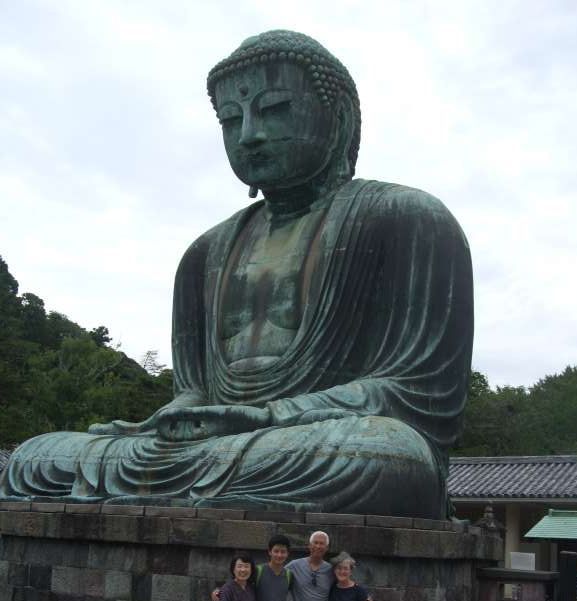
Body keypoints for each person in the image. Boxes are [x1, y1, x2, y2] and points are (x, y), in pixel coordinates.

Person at [0, 29, 473, 520]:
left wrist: (271, 416)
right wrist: (174, 419)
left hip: (314, 440)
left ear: (340, 118)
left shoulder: (407, 219)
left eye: (273, 109)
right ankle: (184, 493)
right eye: (230, 119)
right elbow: (194, 389)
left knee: (389, 457)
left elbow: (420, 395)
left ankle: (181, 494)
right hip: (215, 449)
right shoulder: (205, 253)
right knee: (36, 457)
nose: (249, 134)